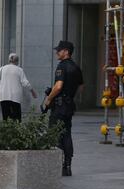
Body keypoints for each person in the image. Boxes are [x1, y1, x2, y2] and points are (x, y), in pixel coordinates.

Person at [44, 41, 84, 177]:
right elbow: (81, 87)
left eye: (59, 50)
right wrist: (70, 95)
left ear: (66, 52)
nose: (57, 52)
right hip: (69, 105)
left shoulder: (62, 66)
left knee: (55, 133)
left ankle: (57, 164)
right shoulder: (76, 67)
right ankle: (67, 165)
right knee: (67, 134)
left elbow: (58, 86)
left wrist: (49, 98)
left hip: (59, 106)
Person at [0, 53, 37, 121]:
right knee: (17, 118)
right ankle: (15, 130)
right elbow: (25, 83)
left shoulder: (1, 69)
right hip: (15, 96)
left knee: (5, 117)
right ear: (17, 61)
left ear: (9, 60)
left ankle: (6, 129)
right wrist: (32, 91)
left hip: (3, 96)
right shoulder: (19, 70)